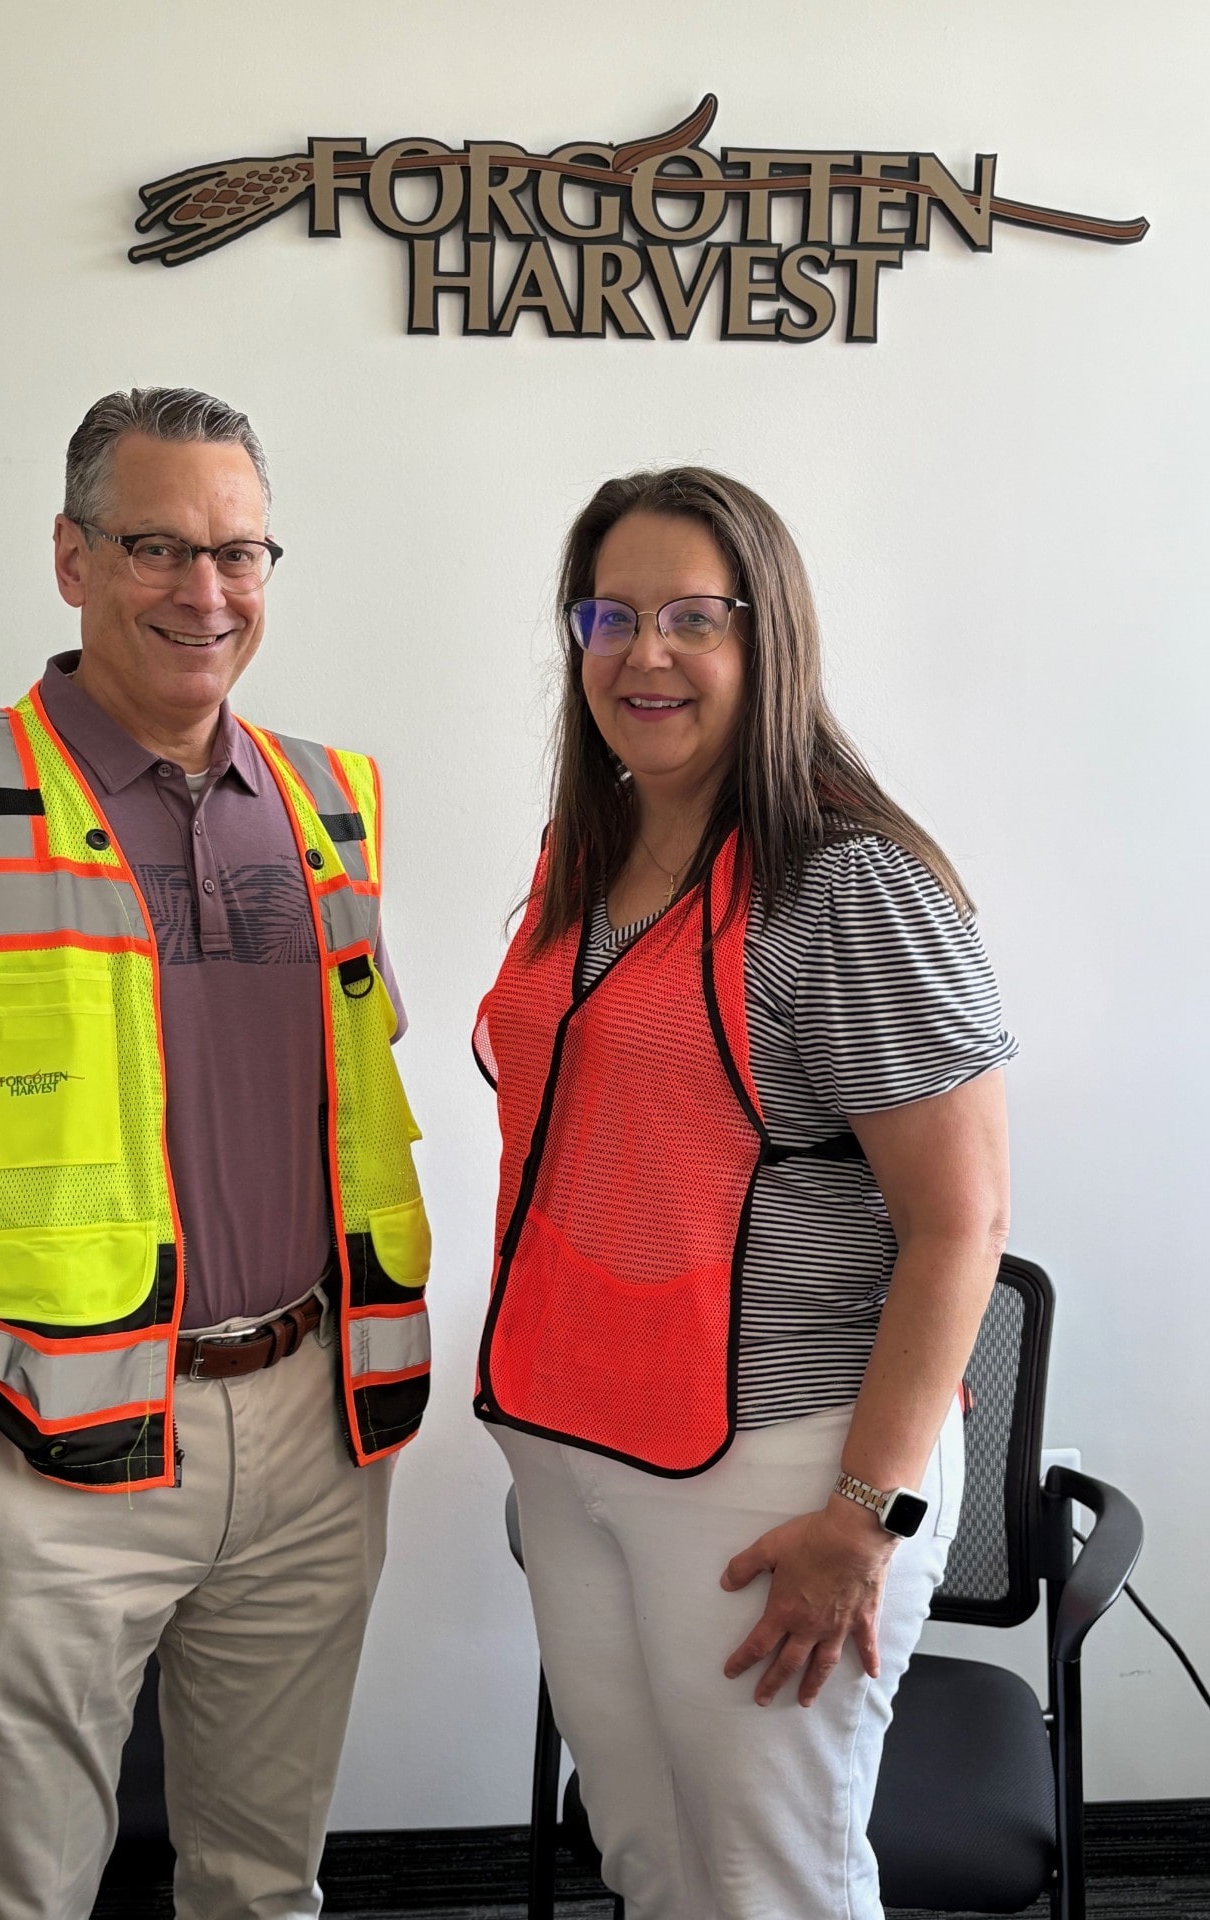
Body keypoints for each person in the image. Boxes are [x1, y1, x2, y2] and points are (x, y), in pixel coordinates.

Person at [0, 387, 432, 1920]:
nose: (207, 593)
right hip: (47, 1451)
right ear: (70, 559)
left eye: (241, 552)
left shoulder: (332, 800)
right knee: (15, 1897)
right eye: (158, 547)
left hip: (315, 1433)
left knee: (265, 1886)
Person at [472, 468, 1015, 1920]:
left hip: (777, 1459)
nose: (644, 654)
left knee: (772, 1877)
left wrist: (867, 1513)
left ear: (768, 640)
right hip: (573, 1441)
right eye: (610, 615)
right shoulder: (580, 861)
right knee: (648, 1859)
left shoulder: (844, 884)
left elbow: (962, 1222)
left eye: (692, 618)